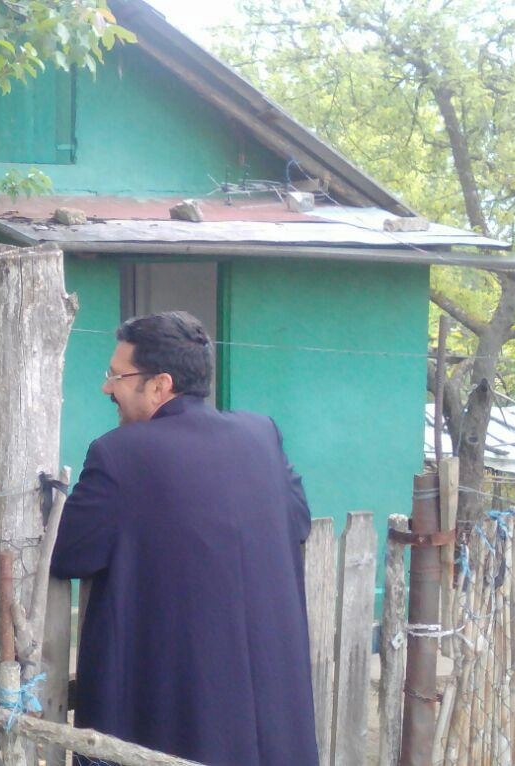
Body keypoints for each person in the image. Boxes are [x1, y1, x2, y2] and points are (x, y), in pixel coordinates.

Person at [50, 311, 318, 766]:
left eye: (116, 376)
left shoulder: (119, 455)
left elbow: (67, 553)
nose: (107, 388)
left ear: (160, 385)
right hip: (271, 724)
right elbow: (300, 523)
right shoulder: (262, 437)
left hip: (174, 718)